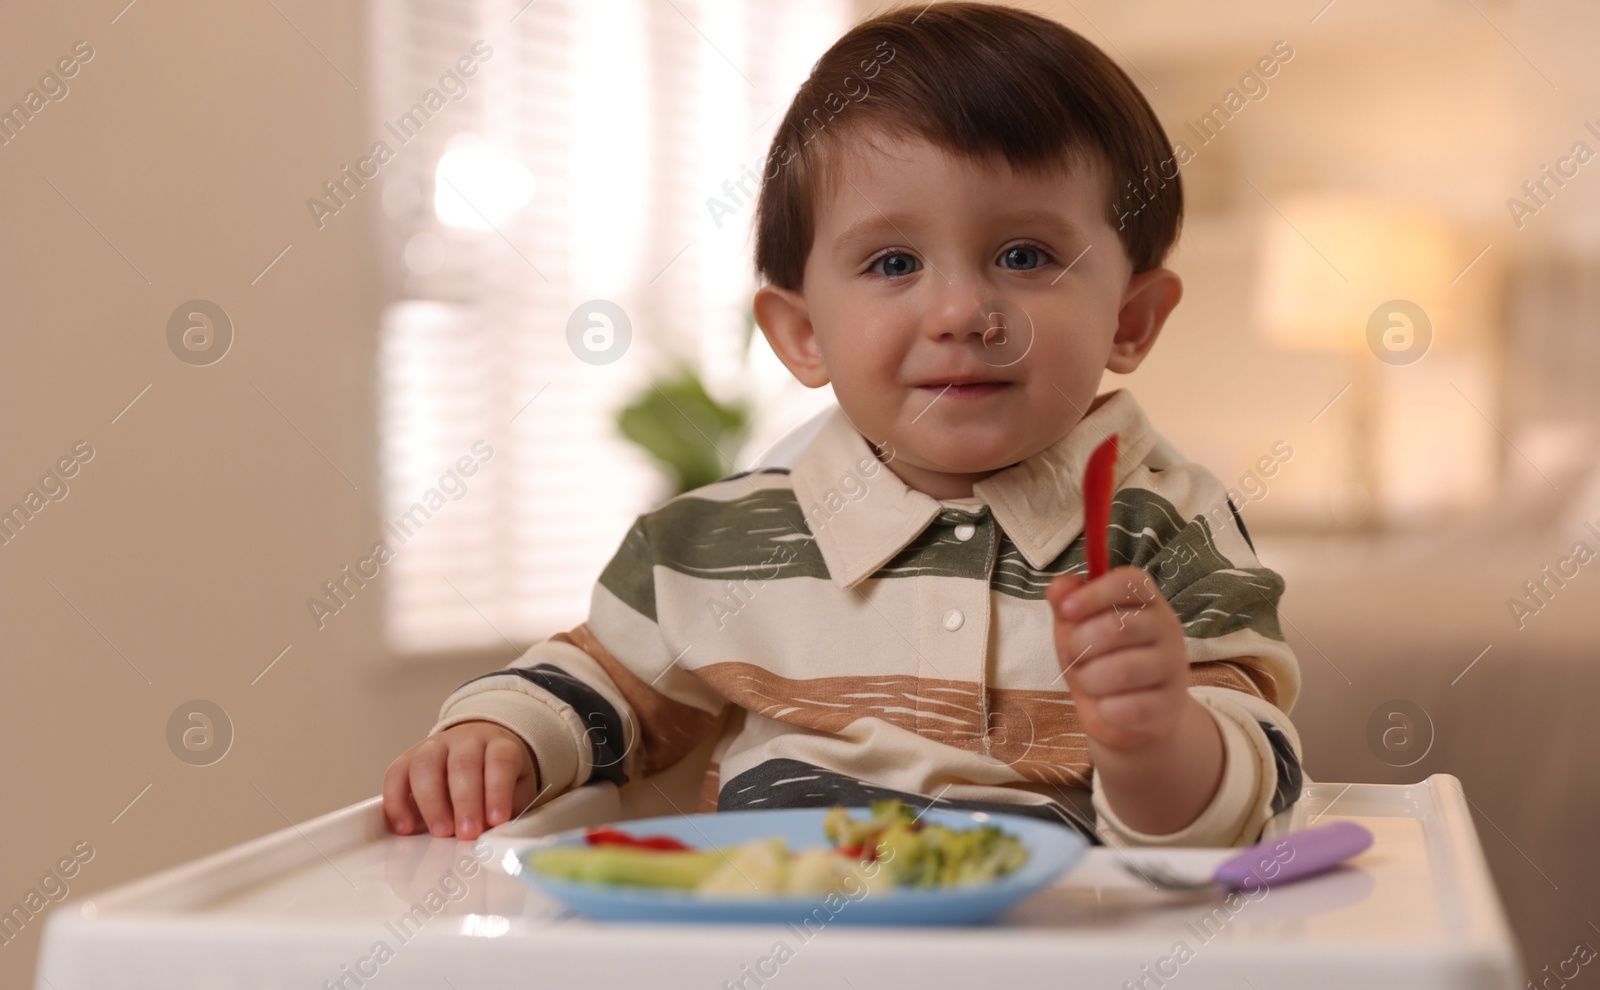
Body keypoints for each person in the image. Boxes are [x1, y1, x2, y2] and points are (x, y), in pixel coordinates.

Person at [382, 1, 1303, 848]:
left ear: (1130, 320)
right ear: (803, 334)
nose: (960, 311)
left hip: (1064, 980)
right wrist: (497, 732)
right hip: (767, 970)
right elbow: (606, 683)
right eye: (894, 261)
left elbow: (1253, 787)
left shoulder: (1163, 529)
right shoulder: (715, 542)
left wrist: (1157, 744)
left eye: (1025, 255)